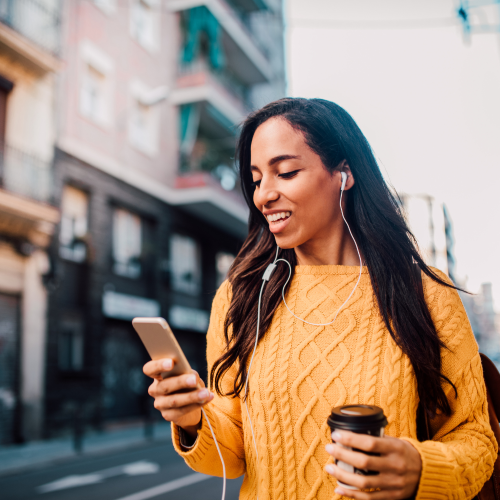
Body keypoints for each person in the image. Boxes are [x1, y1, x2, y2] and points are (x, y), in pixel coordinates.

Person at [143, 98, 497, 499]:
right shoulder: (240, 297)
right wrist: (193, 418)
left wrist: (420, 469)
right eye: (257, 179)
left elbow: (477, 441)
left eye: (286, 172)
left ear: (343, 174)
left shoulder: (426, 294)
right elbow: (234, 455)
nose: (263, 196)